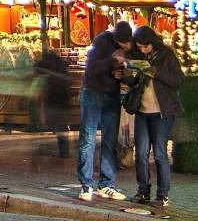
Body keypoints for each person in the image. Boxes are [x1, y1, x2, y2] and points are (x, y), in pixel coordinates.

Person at [77, 21, 133, 203]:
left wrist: (121, 74)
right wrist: (113, 61)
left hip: (112, 95)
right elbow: (92, 68)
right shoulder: (102, 40)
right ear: (118, 39)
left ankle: (106, 184)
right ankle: (86, 184)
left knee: (110, 141)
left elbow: (124, 71)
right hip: (93, 93)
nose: (127, 46)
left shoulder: (128, 48)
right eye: (125, 42)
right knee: (88, 139)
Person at [130, 26, 183, 208]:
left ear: (152, 42)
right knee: (141, 154)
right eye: (140, 47)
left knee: (160, 153)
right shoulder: (139, 56)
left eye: (146, 46)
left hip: (162, 112)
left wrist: (155, 72)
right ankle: (143, 191)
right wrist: (129, 74)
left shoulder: (167, 54)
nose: (143, 50)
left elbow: (178, 80)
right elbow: (134, 82)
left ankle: (162, 195)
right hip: (142, 111)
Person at [35, 48, 73, 158]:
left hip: (53, 97)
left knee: (57, 124)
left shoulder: (48, 64)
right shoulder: (61, 65)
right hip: (63, 98)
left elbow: (37, 69)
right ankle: (64, 151)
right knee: (61, 124)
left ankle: (62, 150)